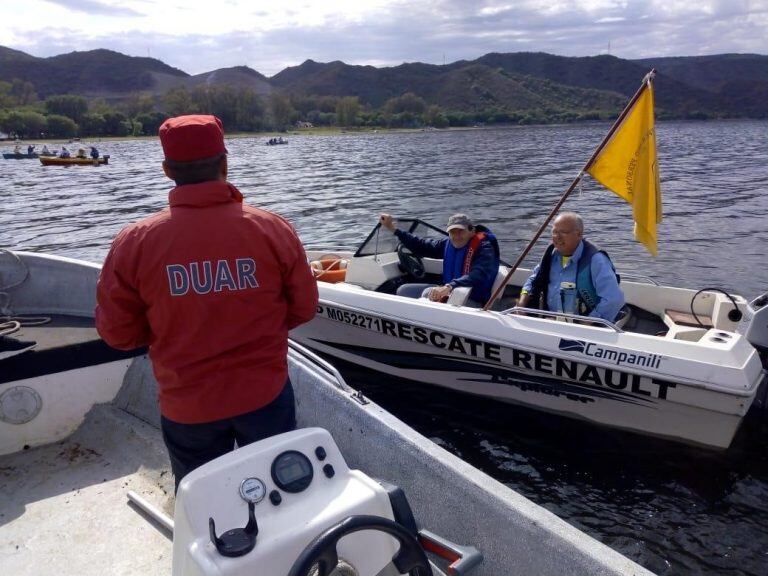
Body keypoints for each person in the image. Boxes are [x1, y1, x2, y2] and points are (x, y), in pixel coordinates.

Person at [95, 114, 318, 490]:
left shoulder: (135, 242)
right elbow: (304, 307)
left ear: (167, 170)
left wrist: (170, 328)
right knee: (280, 497)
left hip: (187, 405)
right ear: (225, 164)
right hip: (264, 395)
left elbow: (118, 333)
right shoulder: (271, 229)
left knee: (206, 503)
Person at [518, 212, 625, 322]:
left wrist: (586, 325)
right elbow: (533, 280)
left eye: (564, 232)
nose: (557, 237)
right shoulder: (551, 255)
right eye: (554, 232)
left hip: (583, 328)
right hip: (549, 321)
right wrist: (522, 304)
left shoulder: (596, 260)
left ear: (579, 234)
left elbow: (613, 300)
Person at [379, 212, 500, 306]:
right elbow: (422, 245)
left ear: (472, 231)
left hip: (472, 300)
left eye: (461, 231)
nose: (457, 236)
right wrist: (393, 229)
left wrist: (449, 287)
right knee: (403, 290)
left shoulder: (484, 248)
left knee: (427, 295)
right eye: (453, 232)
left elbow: (479, 274)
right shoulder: (448, 243)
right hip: (451, 293)